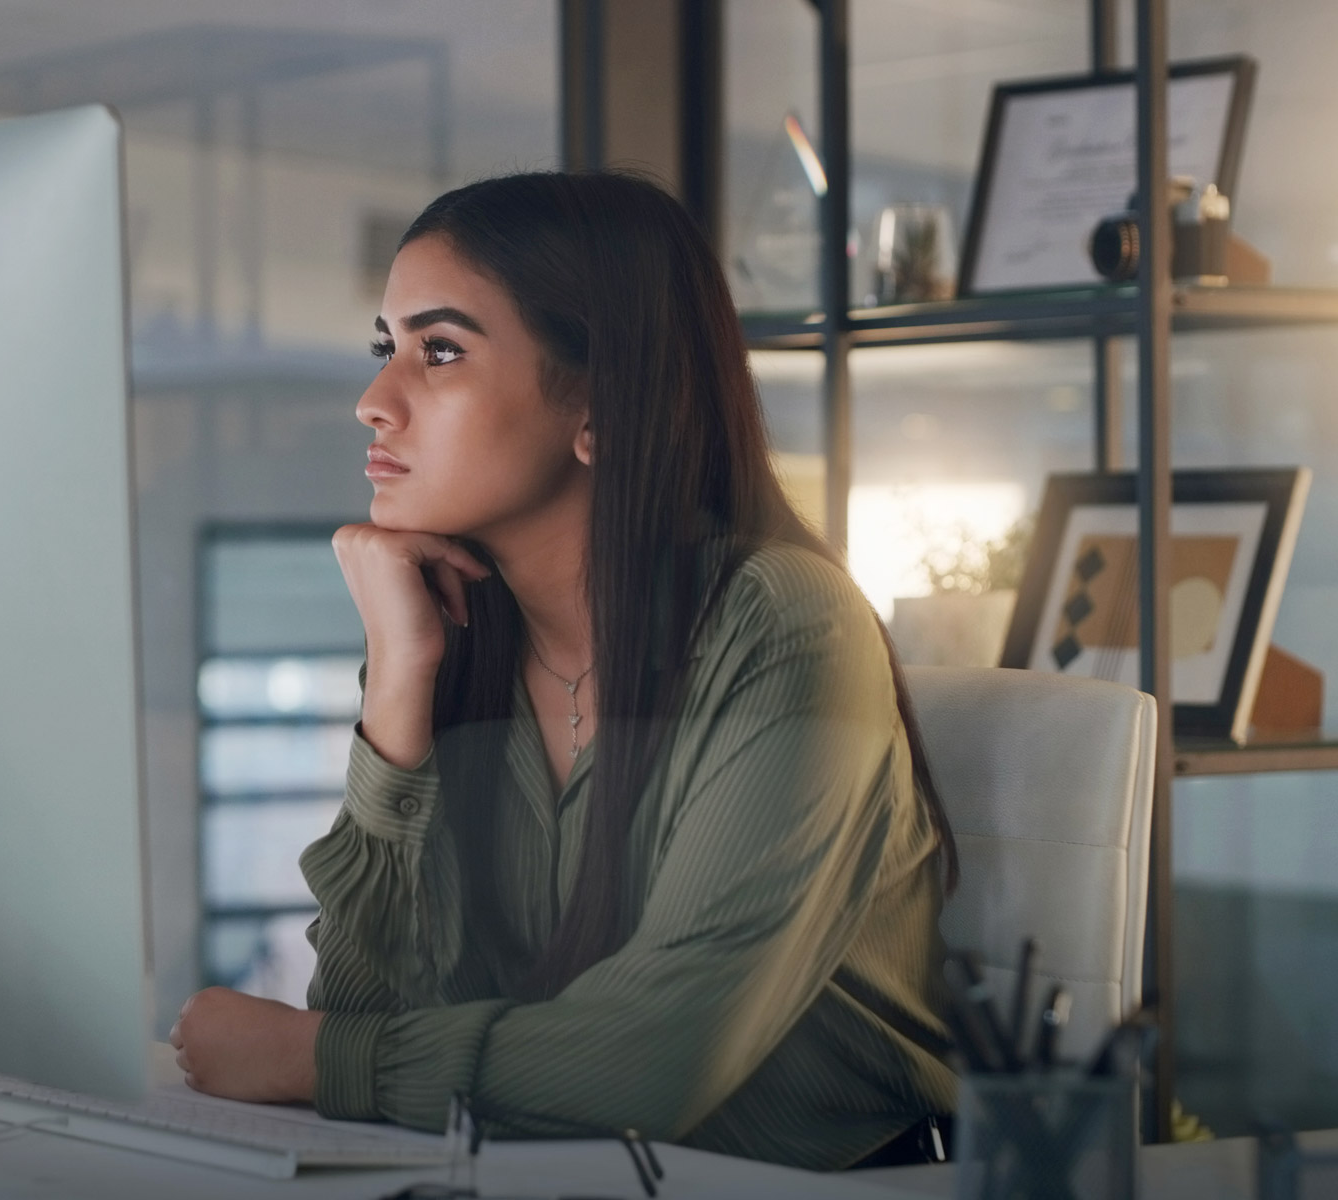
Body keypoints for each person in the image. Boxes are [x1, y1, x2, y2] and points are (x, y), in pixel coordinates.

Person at [169, 171, 960, 1171]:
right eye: (387, 349)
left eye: (440, 351)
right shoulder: (460, 633)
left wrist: (309, 1056)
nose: (374, 402)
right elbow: (371, 1009)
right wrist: (398, 686)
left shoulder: (784, 625)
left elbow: (650, 1066)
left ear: (597, 402)